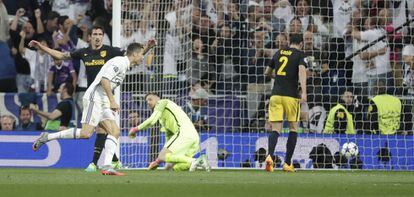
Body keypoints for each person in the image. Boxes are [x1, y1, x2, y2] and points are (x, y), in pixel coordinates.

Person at [32, 41, 156, 176]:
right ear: (135, 54)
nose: (143, 58)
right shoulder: (120, 62)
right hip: (94, 98)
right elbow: (105, 80)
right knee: (86, 134)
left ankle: (107, 166)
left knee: (114, 131)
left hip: (102, 100)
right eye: (141, 55)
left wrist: (148, 47)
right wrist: (112, 100)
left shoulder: (125, 62)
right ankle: (48, 137)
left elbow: (136, 54)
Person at [29, 26, 125, 172]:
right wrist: (43, 47)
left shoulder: (110, 51)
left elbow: (131, 54)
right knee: (96, 132)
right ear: (90, 37)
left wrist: (147, 48)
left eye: (100, 34)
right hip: (93, 97)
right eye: (95, 34)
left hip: (104, 97)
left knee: (111, 131)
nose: (97, 37)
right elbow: (60, 56)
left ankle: (111, 162)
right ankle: (103, 164)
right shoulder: (84, 52)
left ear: (103, 36)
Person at [128, 93, 211, 172]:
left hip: (184, 133)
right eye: (147, 101)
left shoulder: (162, 102)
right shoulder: (163, 116)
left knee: (163, 156)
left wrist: (135, 129)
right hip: (193, 137)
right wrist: (157, 161)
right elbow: (169, 136)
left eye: (150, 99)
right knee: (169, 167)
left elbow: (152, 121)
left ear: (158, 97)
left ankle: (195, 160)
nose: (148, 102)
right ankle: (200, 161)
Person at [263, 33, 307, 172]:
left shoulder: (278, 52)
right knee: (293, 128)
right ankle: (287, 163)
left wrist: (278, 77)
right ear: (301, 43)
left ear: (289, 42)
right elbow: (301, 71)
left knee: (276, 129)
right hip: (291, 96)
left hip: (275, 95)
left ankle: (270, 157)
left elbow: (267, 72)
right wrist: (304, 91)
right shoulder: (300, 54)